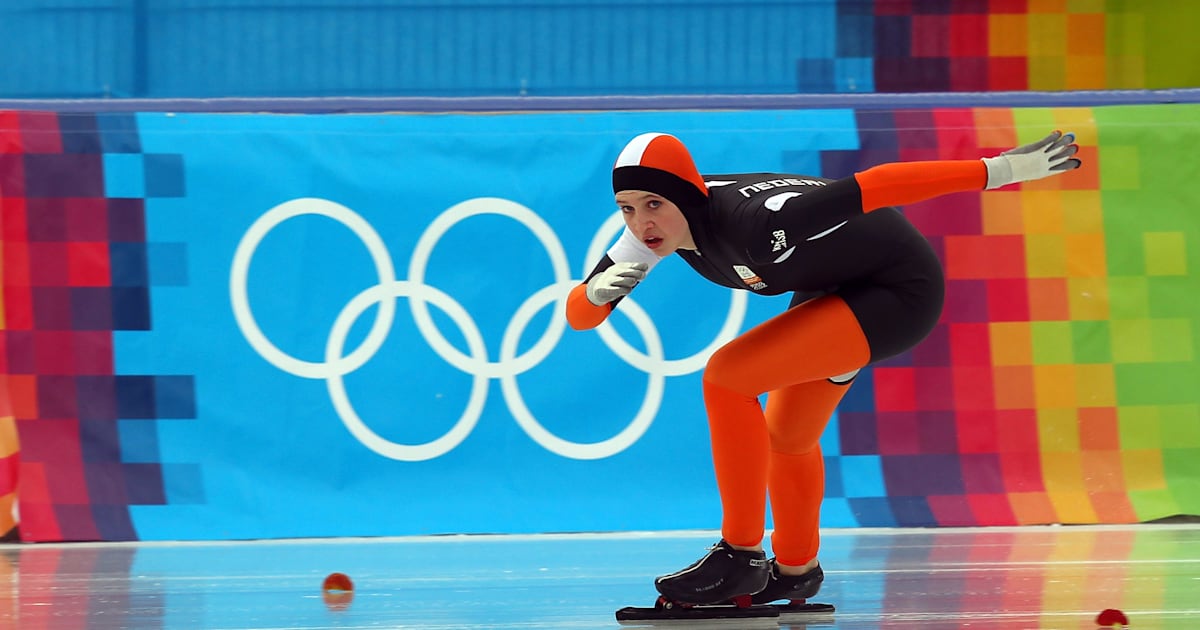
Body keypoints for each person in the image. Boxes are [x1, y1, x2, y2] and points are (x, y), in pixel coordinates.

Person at [564, 130, 1081, 607]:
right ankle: (795, 570)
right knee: (788, 434)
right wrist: (592, 296)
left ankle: (740, 555)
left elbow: (878, 185)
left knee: (728, 377)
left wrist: (999, 171)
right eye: (626, 208)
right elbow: (579, 317)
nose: (641, 223)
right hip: (839, 283)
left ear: (687, 195)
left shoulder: (758, 221)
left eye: (653, 204)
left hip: (897, 291)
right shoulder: (651, 231)